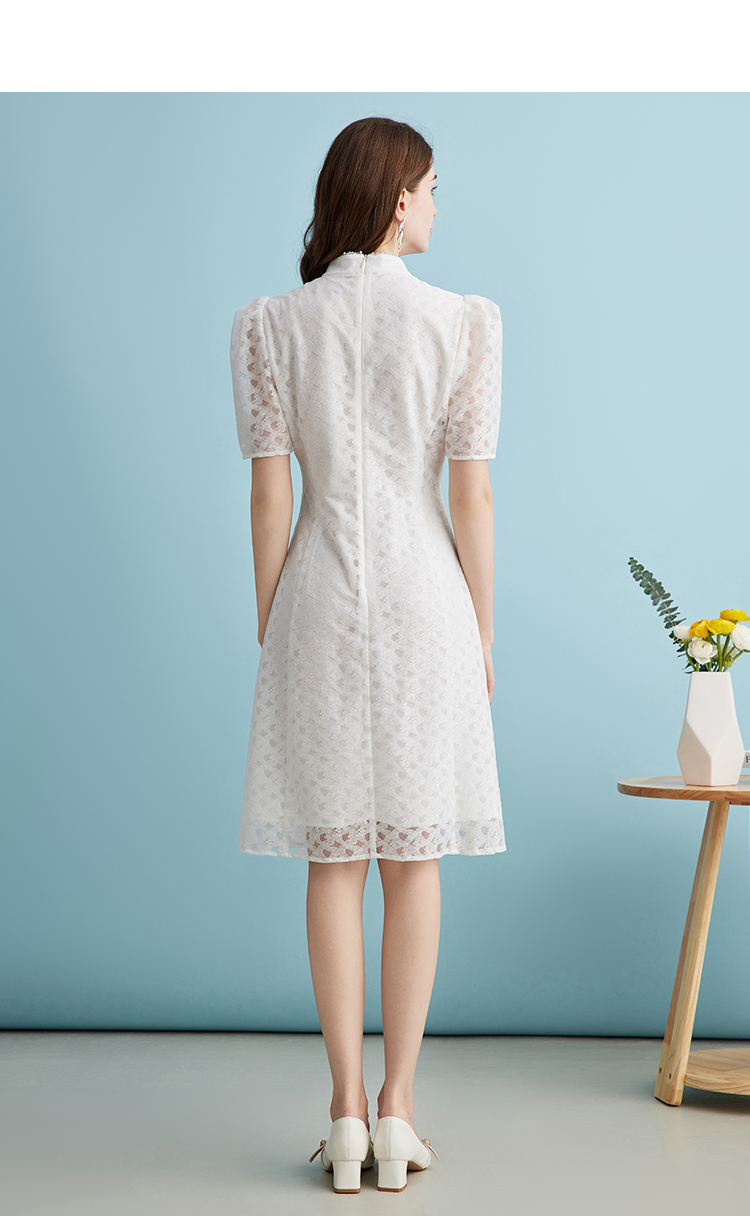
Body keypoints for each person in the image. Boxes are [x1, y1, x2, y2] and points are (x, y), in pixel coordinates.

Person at [229, 116, 506, 1194]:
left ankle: (343, 1110)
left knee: (333, 863)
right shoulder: (465, 323)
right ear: (396, 199)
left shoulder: (269, 325)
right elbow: (471, 498)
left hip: (317, 597)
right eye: (431, 188)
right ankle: (398, 1112)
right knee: (413, 860)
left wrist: (273, 619)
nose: (437, 205)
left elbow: (271, 496)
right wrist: (483, 630)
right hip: (429, 601)